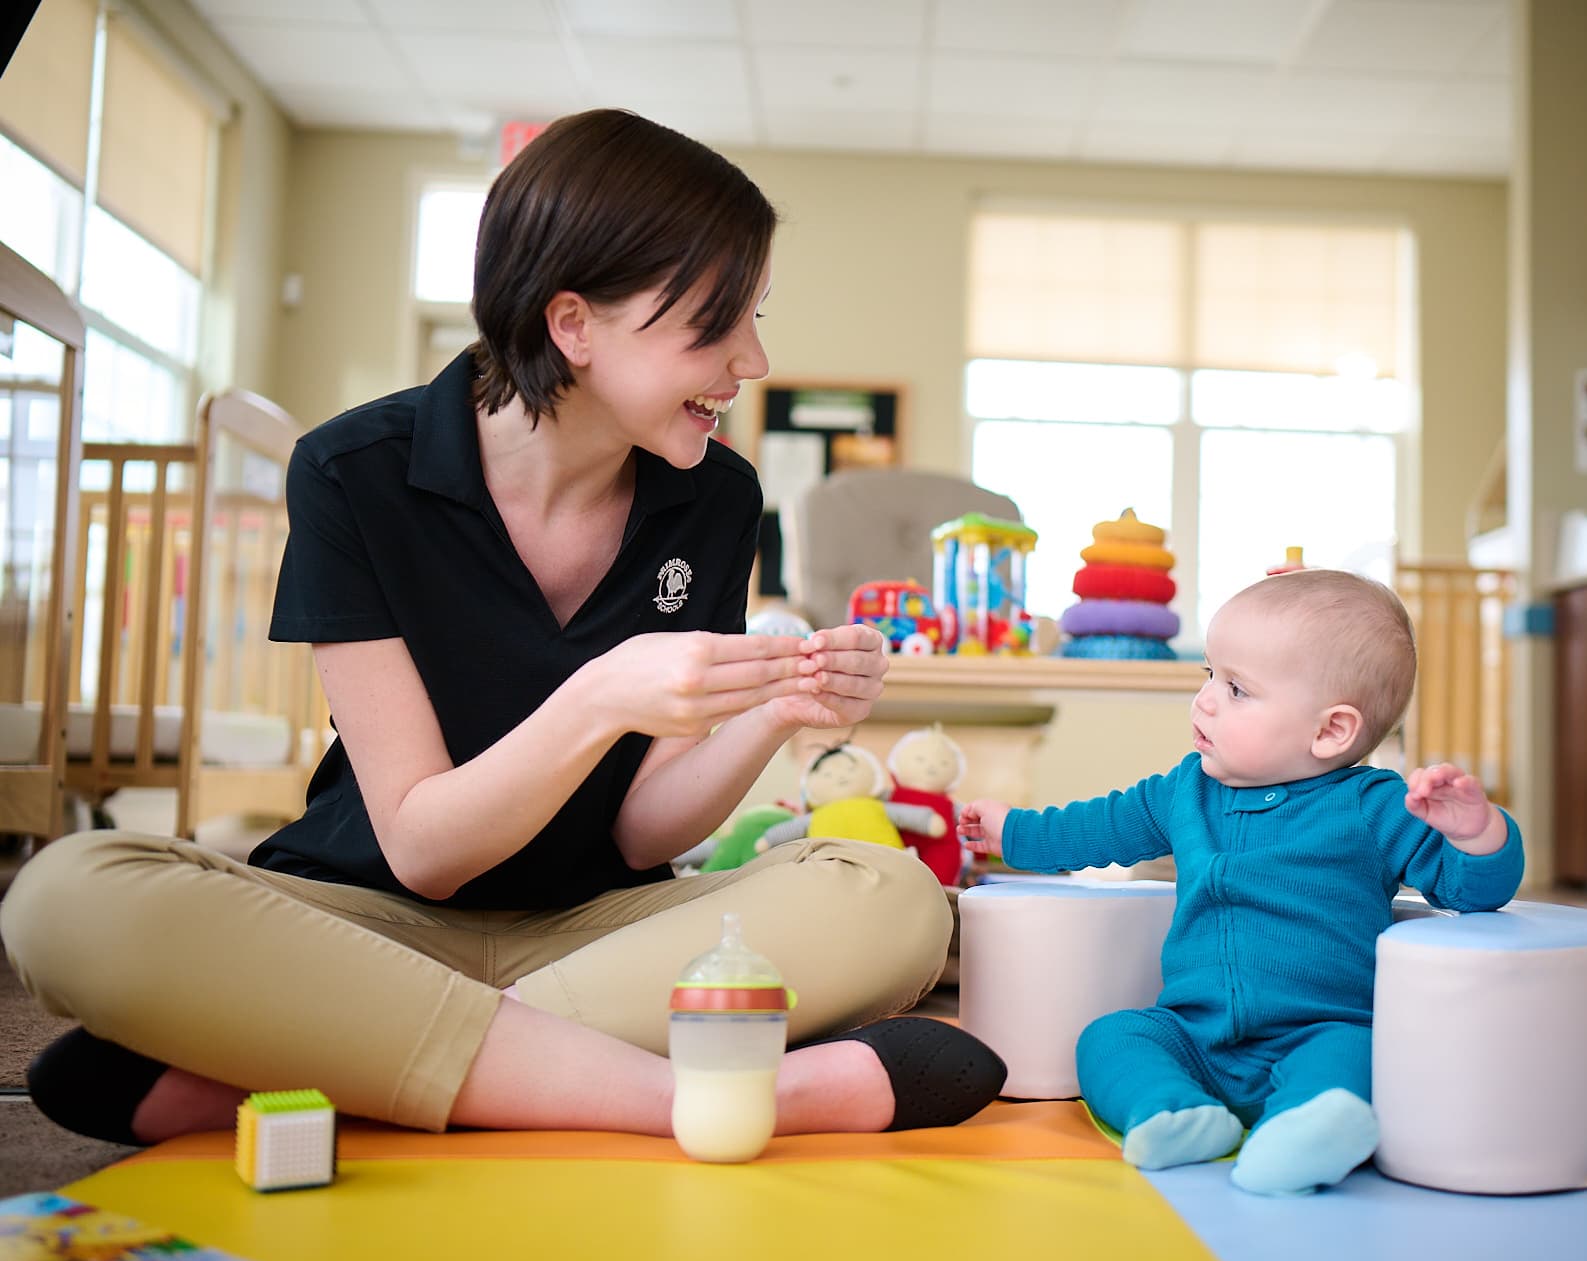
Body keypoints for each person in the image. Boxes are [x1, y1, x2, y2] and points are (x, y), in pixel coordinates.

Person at [2, 108, 1003, 1149]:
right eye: (715, 325)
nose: (750, 359)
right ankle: (685, 1092)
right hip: (369, 920)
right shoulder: (355, 472)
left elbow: (642, 830)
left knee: (892, 896)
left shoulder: (715, 498)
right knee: (66, 896)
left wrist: (772, 714)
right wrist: (602, 693)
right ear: (573, 325)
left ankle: (360, 1064)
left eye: (754, 317)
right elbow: (428, 851)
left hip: (597, 929)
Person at [956, 569, 1523, 1195]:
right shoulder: (1185, 791)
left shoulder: (1375, 806)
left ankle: (1305, 1130)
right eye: (1208, 675)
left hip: (1320, 1029)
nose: (1204, 700)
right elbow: (1097, 828)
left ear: (1331, 731)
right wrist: (1013, 833)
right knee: (1110, 1037)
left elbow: (1471, 891)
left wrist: (1477, 835)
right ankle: (1171, 1113)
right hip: (1193, 1033)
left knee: (1358, 1058)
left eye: (1236, 689)